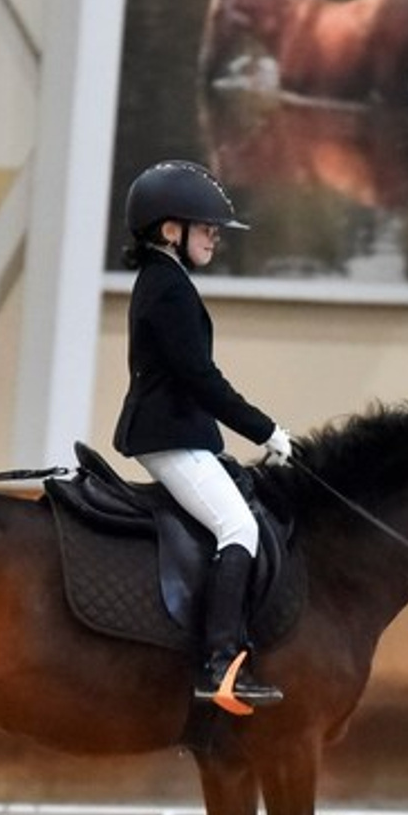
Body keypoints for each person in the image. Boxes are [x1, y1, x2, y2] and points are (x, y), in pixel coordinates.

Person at [113, 159, 293, 715]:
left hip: (177, 432)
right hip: (169, 437)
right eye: (205, 225)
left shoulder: (169, 280)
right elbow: (200, 379)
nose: (216, 235)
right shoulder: (167, 288)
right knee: (237, 526)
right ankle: (220, 664)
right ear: (171, 230)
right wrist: (266, 430)